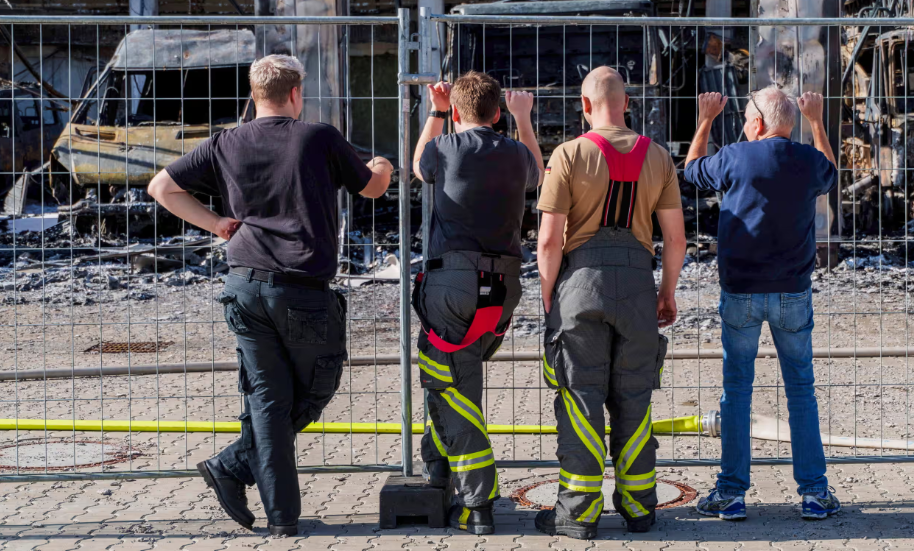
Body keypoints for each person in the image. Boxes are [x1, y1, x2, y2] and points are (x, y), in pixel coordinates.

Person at [147, 54, 393, 536]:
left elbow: (162, 187)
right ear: (297, 94)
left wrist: (217, 223)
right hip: (300, 288)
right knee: (315, 389)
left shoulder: (225, 142)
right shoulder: (317, 137)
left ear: (254, 94)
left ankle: (276, 513)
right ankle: (235, 464)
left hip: (243, 283)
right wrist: (381, 162)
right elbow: (373, 188)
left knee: (267, 400)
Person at [533, 66, 686, 539]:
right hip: (639, 287)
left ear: (584, 105)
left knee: (581, 400)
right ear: (627, 103)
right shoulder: (658, 157)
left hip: (580, 286)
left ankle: (577, 514)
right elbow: (676, 239)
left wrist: (549, 300)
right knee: (635, 399)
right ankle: (640, 508)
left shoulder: (568, 154)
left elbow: (549, 242)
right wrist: (666, 293)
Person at [682, 87, 841, 521]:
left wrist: (706, 118)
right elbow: (831, 171)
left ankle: (731, 492)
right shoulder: (807, 161)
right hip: (793, 290)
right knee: (801, 391)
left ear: (756, 123)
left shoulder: (734, 156)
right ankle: (814, 492)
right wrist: (817, 121)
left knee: (737, 392)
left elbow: (691, 170)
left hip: (741, 292)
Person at [410, 71, 543, 535]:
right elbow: (537, 175)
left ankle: (477, 502)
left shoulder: (445, 148)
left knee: (451, 386)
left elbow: (416, 166)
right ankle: (438, 468)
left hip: (454, 283)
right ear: (500, 113)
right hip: (503, 286)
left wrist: (436, 111)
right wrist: (525, 120)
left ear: (459, 113)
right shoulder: (515, 153)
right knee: (454, 378)